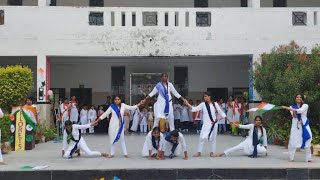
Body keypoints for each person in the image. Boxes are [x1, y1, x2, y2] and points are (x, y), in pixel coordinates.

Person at [185, 92, 230, 157]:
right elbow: (194, 109)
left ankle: (212, 152)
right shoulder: (203, 104)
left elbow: (221, 112)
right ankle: (199, 152)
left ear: (210, 97)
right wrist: (188, 104)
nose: (204, 97)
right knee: (201, 138)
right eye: (204, 96)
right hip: (206, 124)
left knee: (213, 138)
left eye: (206, 96)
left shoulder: (215, 104)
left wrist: (228, 119)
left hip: (214, 124)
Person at [282, 94, 312, 162]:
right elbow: (294, 116)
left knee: (308, 139)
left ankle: (308, 158)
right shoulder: (292, 106)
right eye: (297, 97)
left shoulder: (305, 105)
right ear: (295, 99)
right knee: (293, 140)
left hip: (304, 125)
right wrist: (292, 110)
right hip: (296, 125)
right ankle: (291, 157)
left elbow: (300, 111)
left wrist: (286, 108)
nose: (299, 98)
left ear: (302, 99)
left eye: (300, 97)